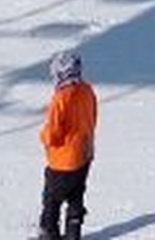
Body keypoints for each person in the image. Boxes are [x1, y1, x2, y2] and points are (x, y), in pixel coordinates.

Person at [38, 50, 98, 240]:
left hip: (62, 162)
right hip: (84, 155)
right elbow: (93, 117)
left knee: (51, 200)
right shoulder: (87, 90)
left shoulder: (60, 99)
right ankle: (74, 232)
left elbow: (53, 133)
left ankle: (49, 233)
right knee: (75, 195)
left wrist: (44, 136)